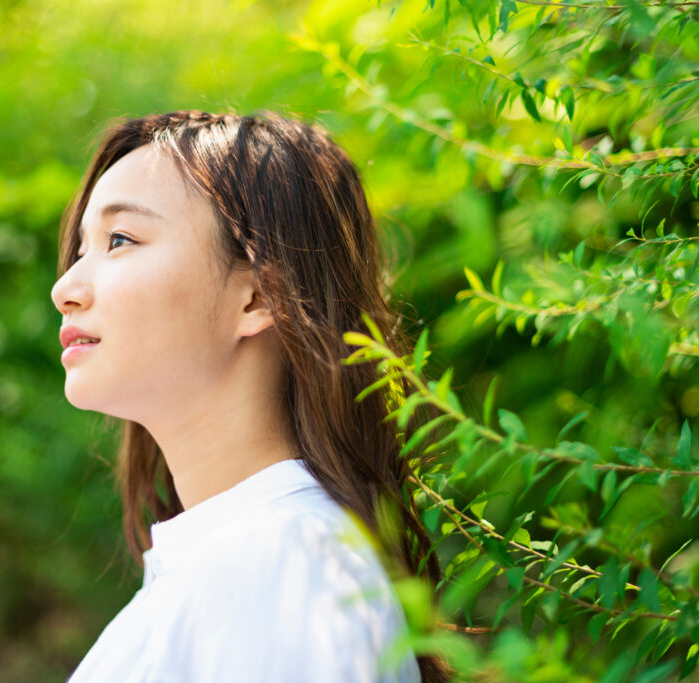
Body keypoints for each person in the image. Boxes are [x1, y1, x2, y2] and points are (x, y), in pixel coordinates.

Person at [50, 110, 453, 682]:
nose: (65, 288)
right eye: (81, 250)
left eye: (120, 239)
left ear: (259, 297)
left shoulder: (284, 564)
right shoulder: (247, 558)